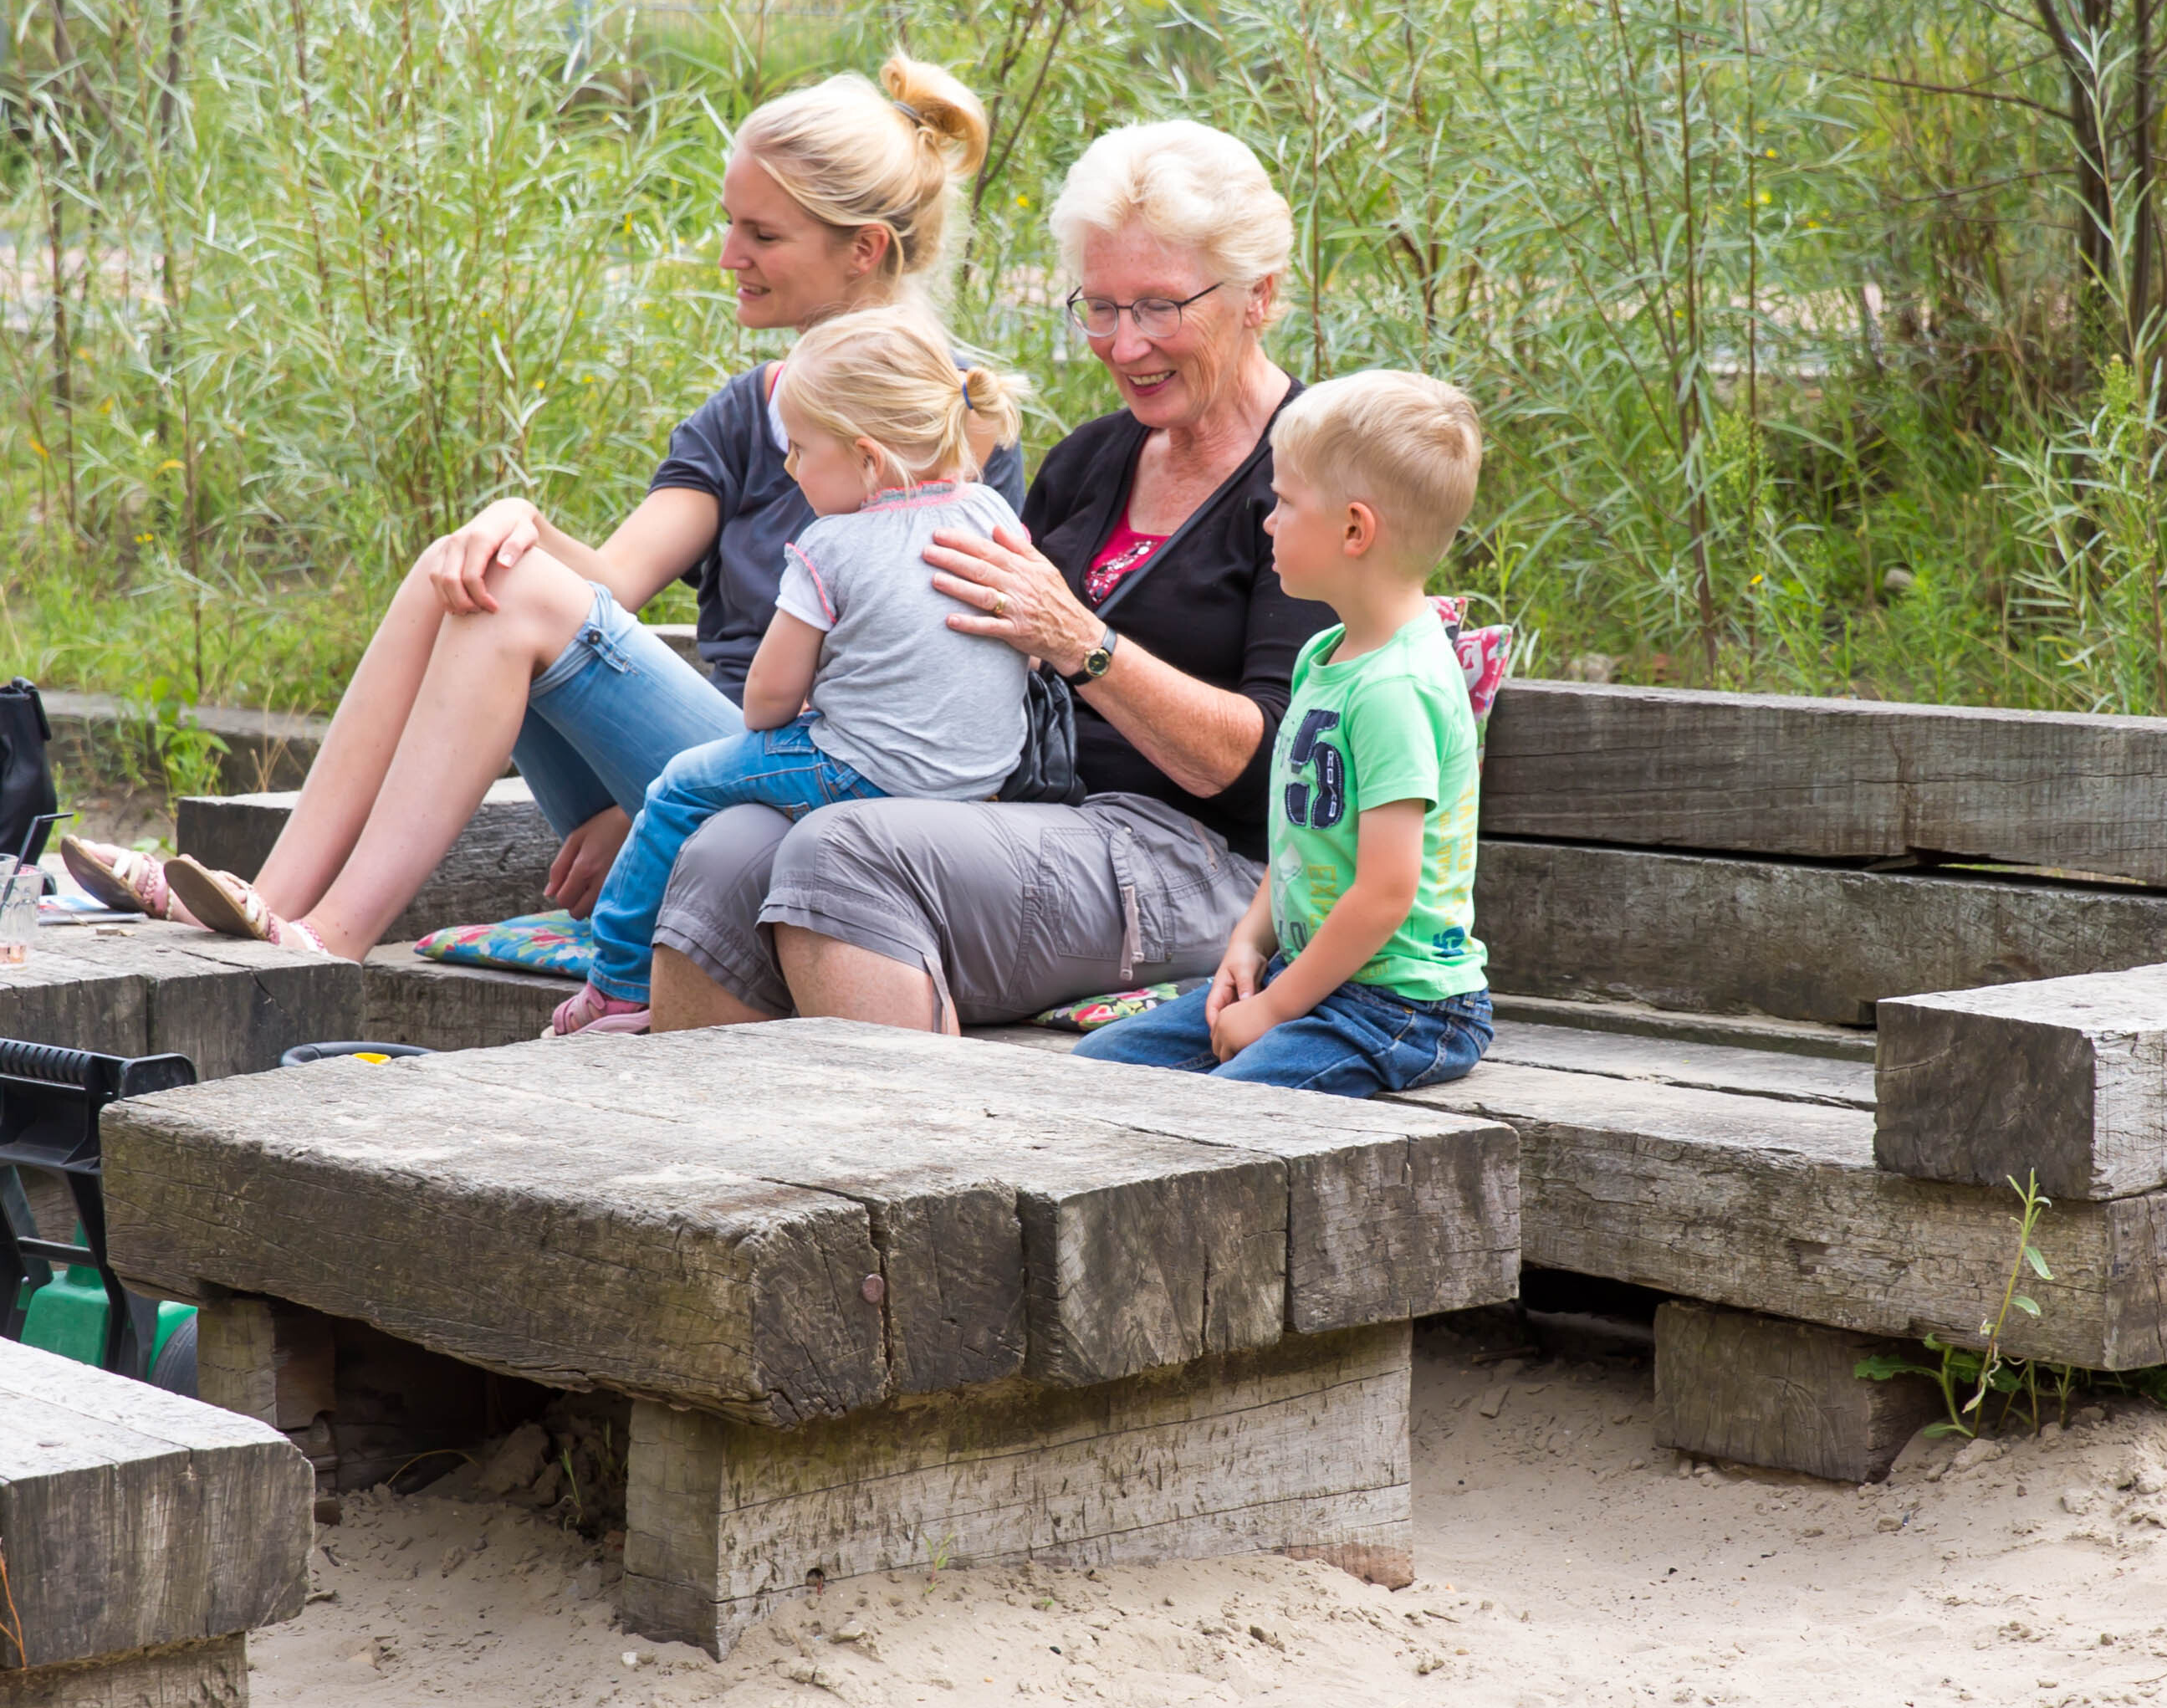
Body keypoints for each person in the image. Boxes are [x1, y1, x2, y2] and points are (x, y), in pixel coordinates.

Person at [54, 54, 1025, 953]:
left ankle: (333, 935)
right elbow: (615, 583)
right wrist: (518, 518)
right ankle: (270, 893)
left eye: (763, 234)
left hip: (818, 793)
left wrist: (670, 793)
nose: (727, 253)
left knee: (510, 592)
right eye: (730, 221)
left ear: (862, 249)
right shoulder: (749, 409)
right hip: (703, 765)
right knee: (469, 568)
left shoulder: (951, 418)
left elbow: (938, 691)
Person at [645, 120, 1332, 1034]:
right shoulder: (1090, 462)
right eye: (1099, 306)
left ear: (1259, 297)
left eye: (1159, 307)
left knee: (839, 853)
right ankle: (717, 1167)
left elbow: (1275, 766)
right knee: (724, 850)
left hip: (1201, 864)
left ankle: (920, 1162)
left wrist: (1082, 644)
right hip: (1019, 823)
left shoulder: (1312, 481)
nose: (1123, 346)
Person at [548, 305, 1031, 1033]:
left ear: (867, 458)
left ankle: (615, 981)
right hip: (978, 778)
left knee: (677, 788)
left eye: (800, 448)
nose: (787, 467)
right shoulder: (991, 510)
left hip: (868, 771)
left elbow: (765, 703)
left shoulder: (829, 545)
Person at [1072, 371, 1494, 1092]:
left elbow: (1385, 892)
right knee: (1098, 1069)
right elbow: (1300, 837)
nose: (1267, 520)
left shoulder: (1397, 688)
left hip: (1403, 1008)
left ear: (1354, 529)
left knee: (1231, 1108)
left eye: (1285, 503)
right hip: (1308, 977)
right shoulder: (1321, 657)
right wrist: (1248, 943)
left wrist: (1270, 1010)